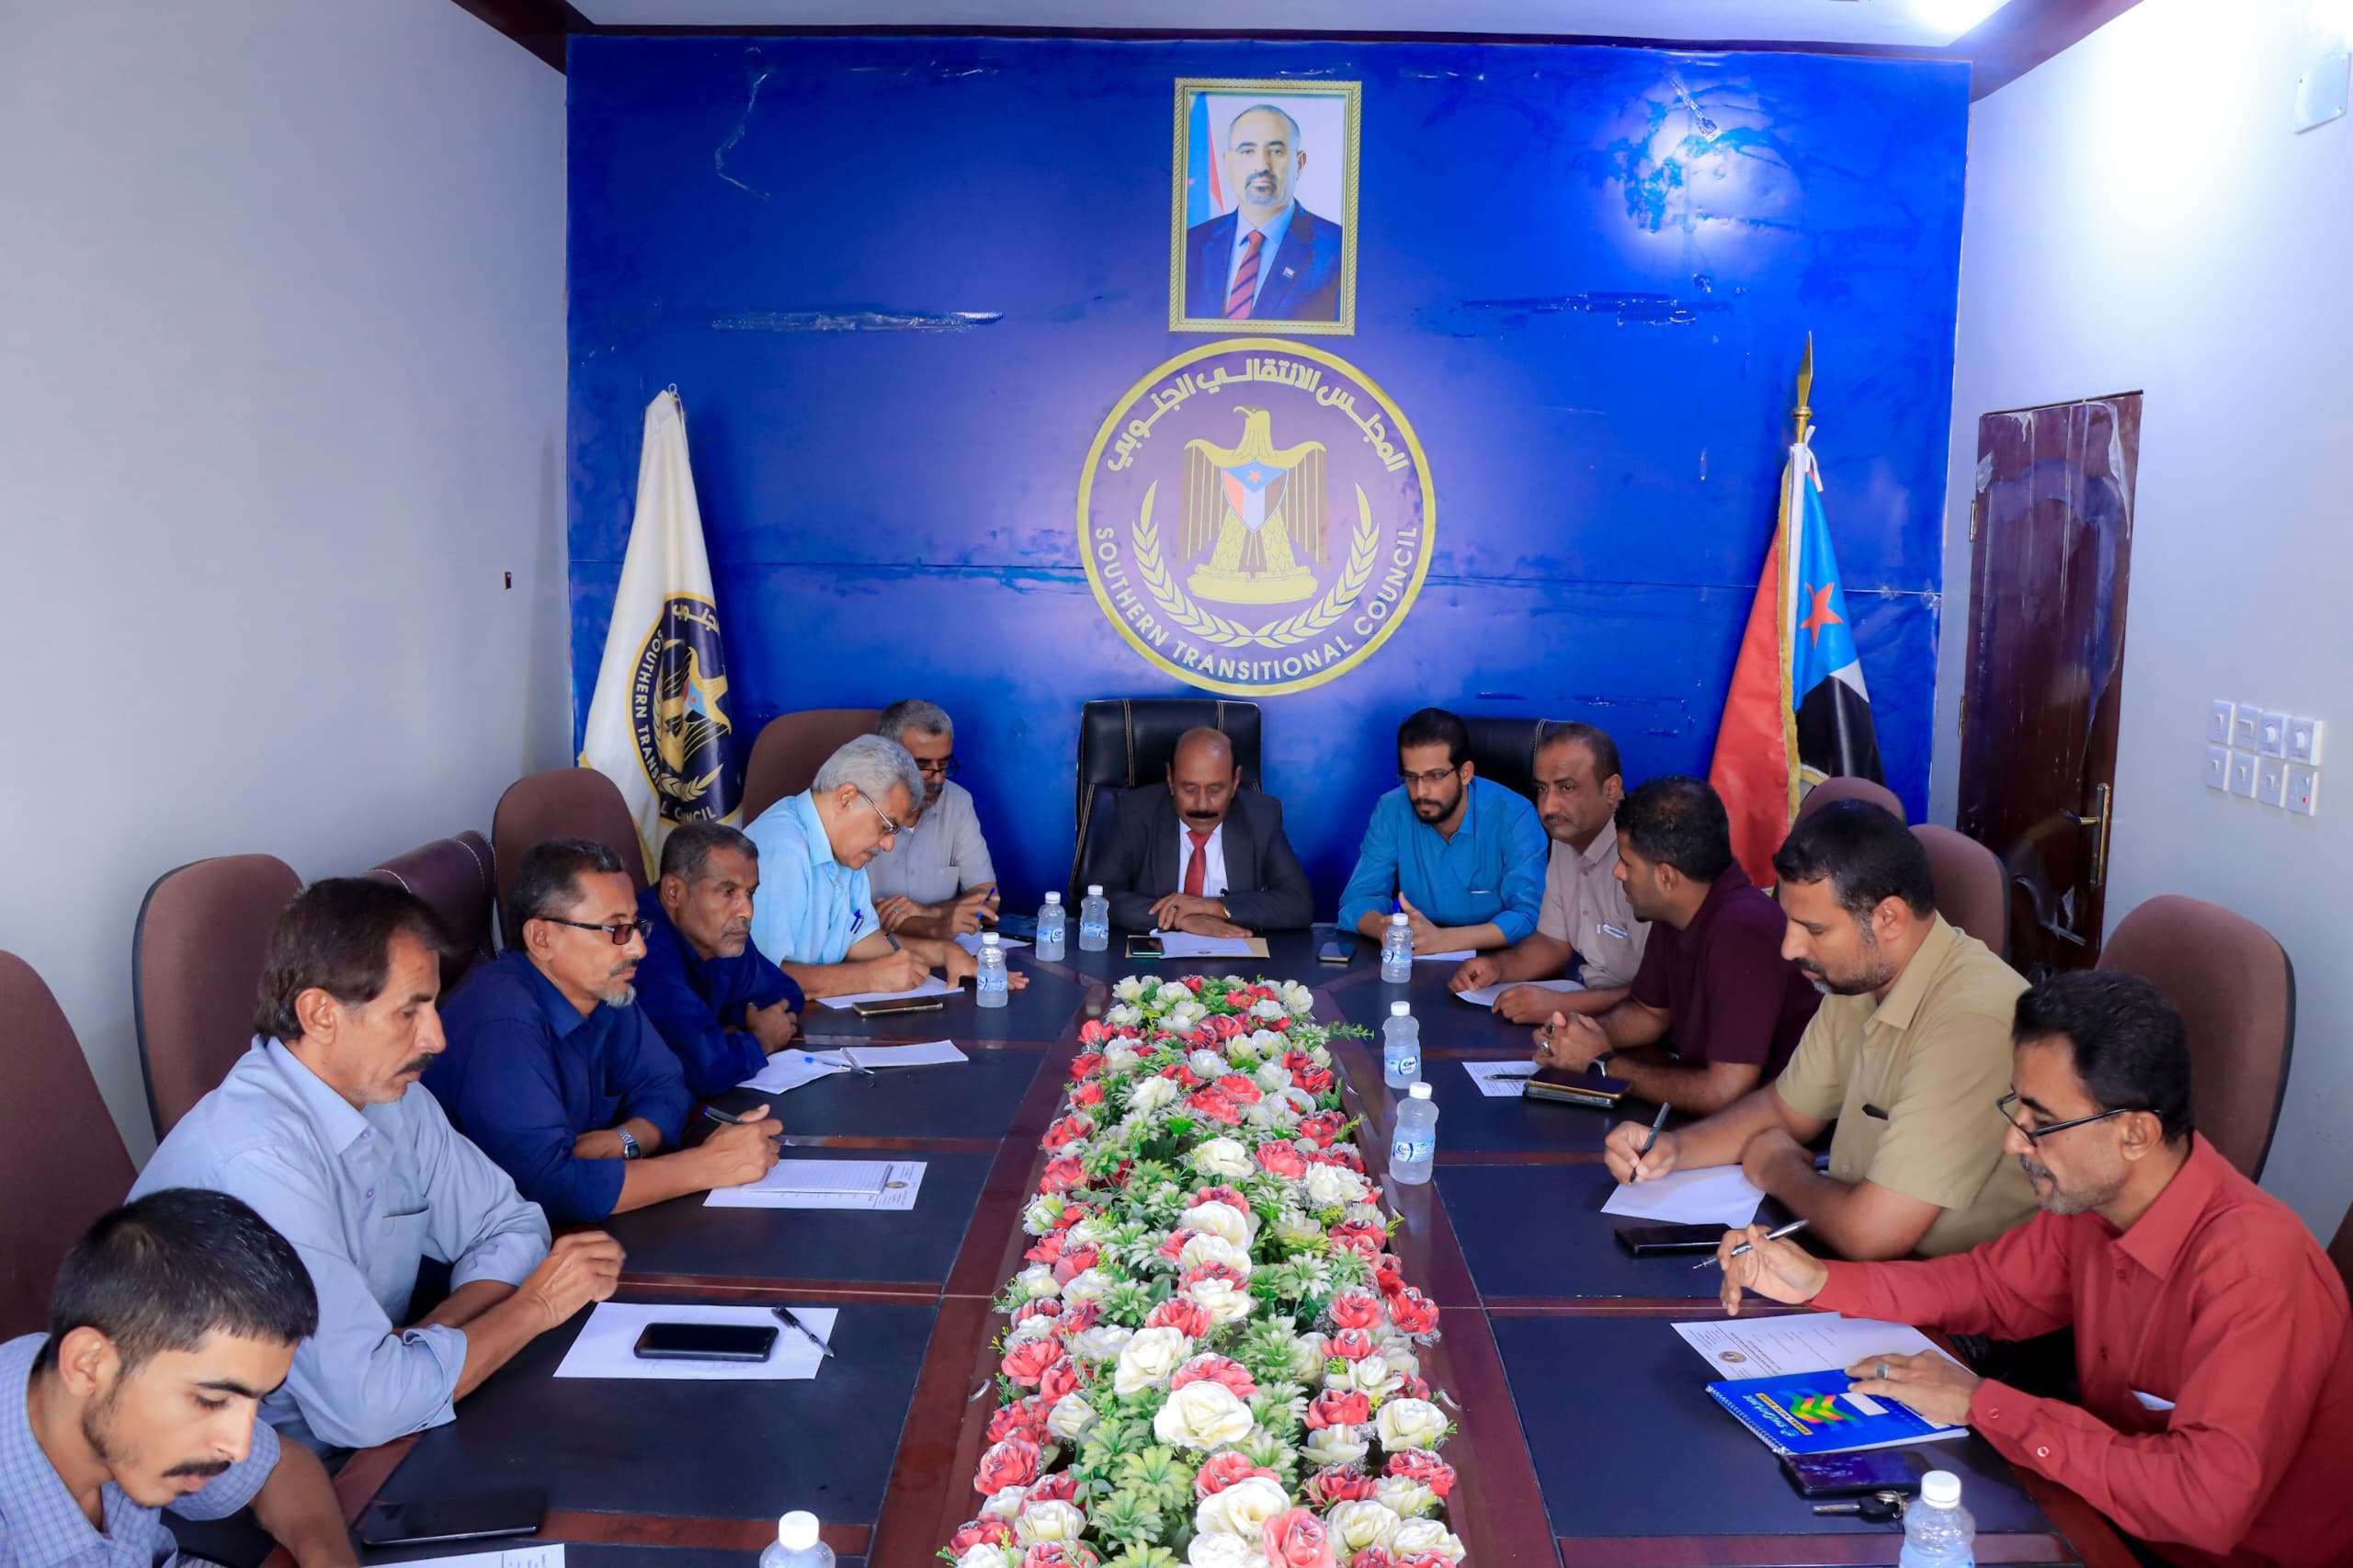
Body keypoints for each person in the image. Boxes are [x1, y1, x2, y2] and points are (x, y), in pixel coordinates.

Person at [1718, 971, 2353, 1567]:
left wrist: (1982, 1403)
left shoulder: (2253, 1272)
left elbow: (2202, 1503)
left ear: (2135, 1134)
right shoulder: (2098, 1199)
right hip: (2099, 1514)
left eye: (2041, 1124)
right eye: (2017, 1110)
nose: (2013, 1142)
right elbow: (1986, 1287)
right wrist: (1819, 1280)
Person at [133, 880, 621, 1452]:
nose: (436, 1037)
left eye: (433, 1005)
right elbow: (365, 1409)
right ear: (320, 1014)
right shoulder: (258, 1160)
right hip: (257, 1468)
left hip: (386, 1422)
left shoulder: (392, 1097)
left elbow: (511, 1225)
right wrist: (535, 1306)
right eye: (408, 1012)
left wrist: (425, 1339)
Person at [1604, 801, 2036, 1259]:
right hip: (1863, 1244)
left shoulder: (1972, 1021)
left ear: (1888, 919)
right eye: (1789, 922)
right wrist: (1671, 1148)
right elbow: (1784, 1109)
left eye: (1813, 929)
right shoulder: (1861, 976)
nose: (1789, 948)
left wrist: (1779, 1168)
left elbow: (1871, 1233)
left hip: (1950, 1285)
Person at [430, 839, 782, 1223]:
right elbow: (547, 1187)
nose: (638, 949)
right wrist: (707, 1166)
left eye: (635, 926)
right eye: (614, 929)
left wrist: (626, 1140)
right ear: (542, 938)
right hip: (489, 1241)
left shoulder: (605, 990)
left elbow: (666, 1084)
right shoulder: (501, 1023)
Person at [0, 1189, 352, 1568]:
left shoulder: (93, 1373)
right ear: (87, 1365)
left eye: (258, 1399)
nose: (239, 1448)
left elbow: (281, 1468)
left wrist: (325, 1557)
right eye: (212, 1401)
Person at [1527, 776, 1820, 1115]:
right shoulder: (1677, 907)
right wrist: (1578, 1036)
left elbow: (1724, 1092)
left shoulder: (1744, 932)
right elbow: (1649, 1013)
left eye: (1627, 862)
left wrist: (1602, 1063)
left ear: (1666, 877)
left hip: (1769, 1125)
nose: (1617, 873)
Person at [745, 735, 1026, 1001]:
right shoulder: (781, 849)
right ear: (846, 798)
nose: (888, 845)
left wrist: (945, 952)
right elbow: (758, 977)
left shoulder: (846, 852)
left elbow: (861, 940)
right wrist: (867, 978)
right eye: (886, 826)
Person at [1448, 724, 1645, 1022]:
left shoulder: (1642, 858)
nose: (1549, 807)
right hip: (1590, 1008)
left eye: (1566, 788)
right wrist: (1498, 968)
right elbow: (1553, 943)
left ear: (1611, 790)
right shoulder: (1566, 837)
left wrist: (1564, 1004)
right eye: (1542, 789)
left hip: (1638, 1025)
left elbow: (1663, 993)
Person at [1336, 708, 1548, 956]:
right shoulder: (1392, 808)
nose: (1421, 792)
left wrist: (1443, 940)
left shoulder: (1515, 815)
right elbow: (1358, 900)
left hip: (1498, 958)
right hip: (1416, 953)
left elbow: (1528, 916)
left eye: (1435, 776)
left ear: (1465, 773)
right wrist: (1388, 932)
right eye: (1411, 777)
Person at [633, 822, 804, 1099]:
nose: (746, 911)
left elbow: (786, 994)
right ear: (673, 892)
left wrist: (724, 1034)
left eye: (750, 893)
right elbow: (707, 1070)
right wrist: (759, 1039)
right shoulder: (643, 950)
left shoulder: (719, 933)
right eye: (728, 892)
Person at [1093, 726, 1314, 935]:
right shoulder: (1136, 812)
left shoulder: (1261, 817)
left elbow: (1299, 903)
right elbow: (1099, 894)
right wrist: (1179, 918)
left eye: (1215, 790)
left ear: (1235, 782)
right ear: (1170, 779)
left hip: (1237, 954)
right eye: (1189, 789)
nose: (1202, 805)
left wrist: (1214, 907)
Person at [1181, 103, 1345, 323]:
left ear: (1299, 163)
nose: (1261, 165)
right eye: (1247, 151)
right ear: (1227, 163)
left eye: (1276, 151)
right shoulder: (1189, 245)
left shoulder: (1340, 250)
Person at [865, 699, 1001, 941]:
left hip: (943, 950)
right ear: (886, 760)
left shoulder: (957, 801)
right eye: (922, 766)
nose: (937, 779)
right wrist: (946, 916)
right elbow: (839, 918)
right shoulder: (857, 807)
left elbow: (990, 898)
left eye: (944, 764)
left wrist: (927, 912)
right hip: (871, 950)